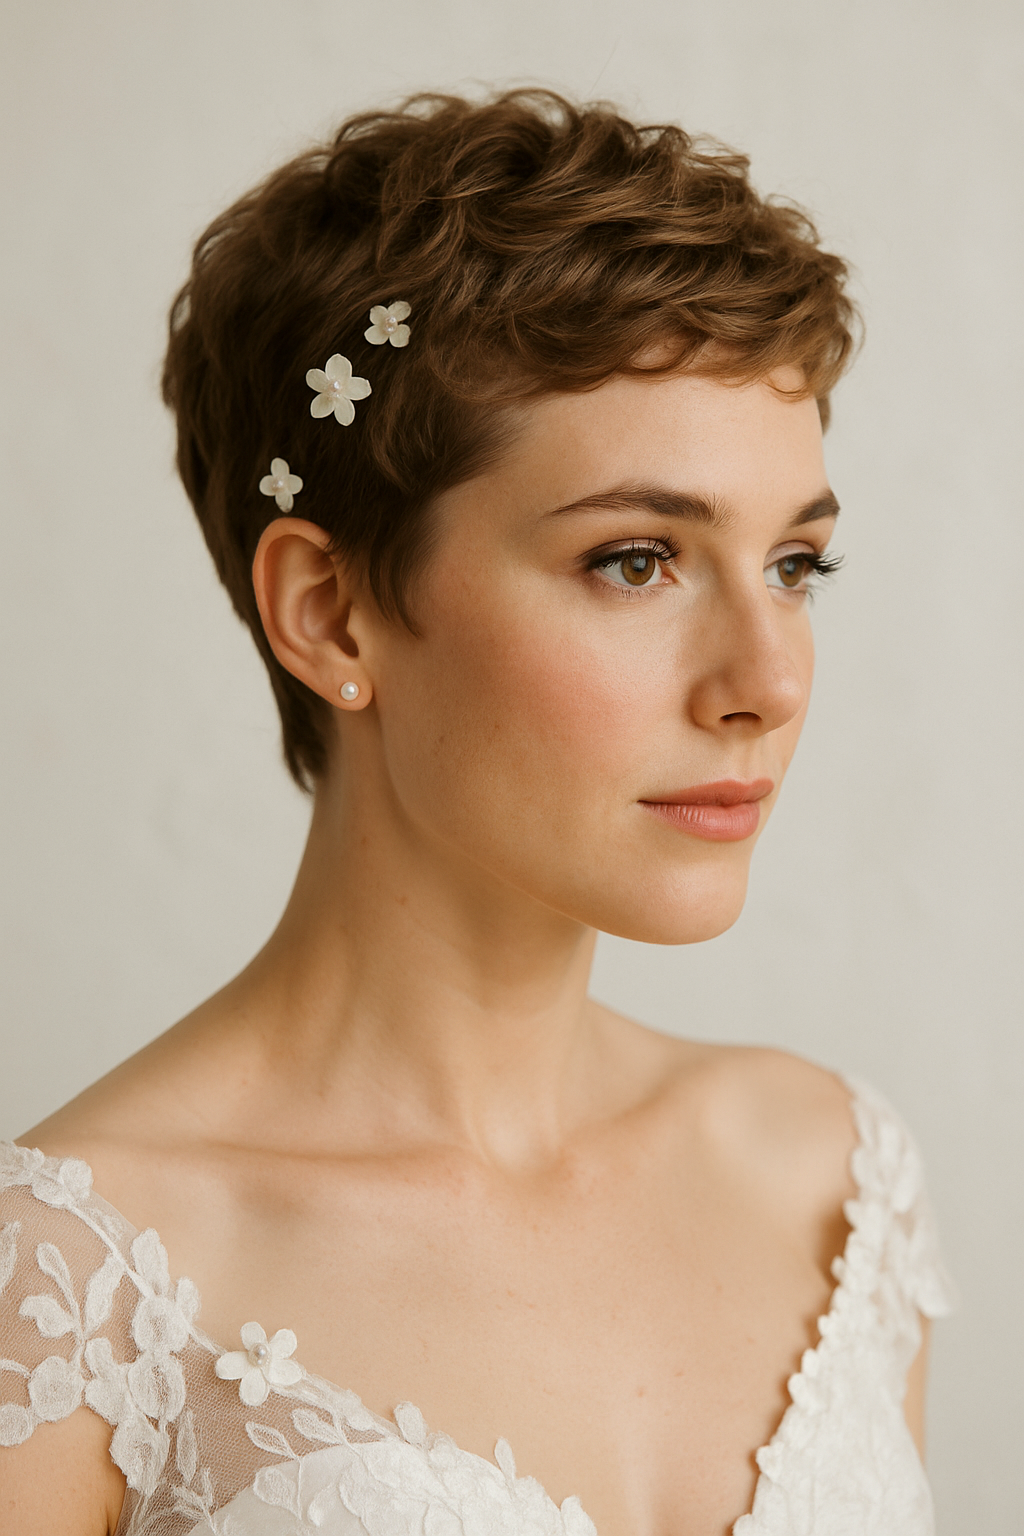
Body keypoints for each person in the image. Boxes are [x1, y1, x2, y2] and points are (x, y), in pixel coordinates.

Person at [0, 90, 953, 1536]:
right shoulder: (69, 1290)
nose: (768, 680)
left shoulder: (830, 1176)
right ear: (330, 614)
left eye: (796, 565)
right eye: (638, 560)